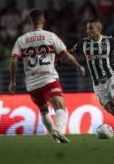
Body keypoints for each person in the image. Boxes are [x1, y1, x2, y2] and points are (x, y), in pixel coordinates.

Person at [8, 9, 85, 143]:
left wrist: (13, 82)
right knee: (60, 107)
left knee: (44, 111)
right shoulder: (50, 36)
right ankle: (59, 131)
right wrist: (78, 66)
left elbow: (14, 60)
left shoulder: (21, 40)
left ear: (29, 22)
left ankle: (55, 140)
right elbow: (66, 55)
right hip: (48, 78)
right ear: (43, 21)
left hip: (32, 84)